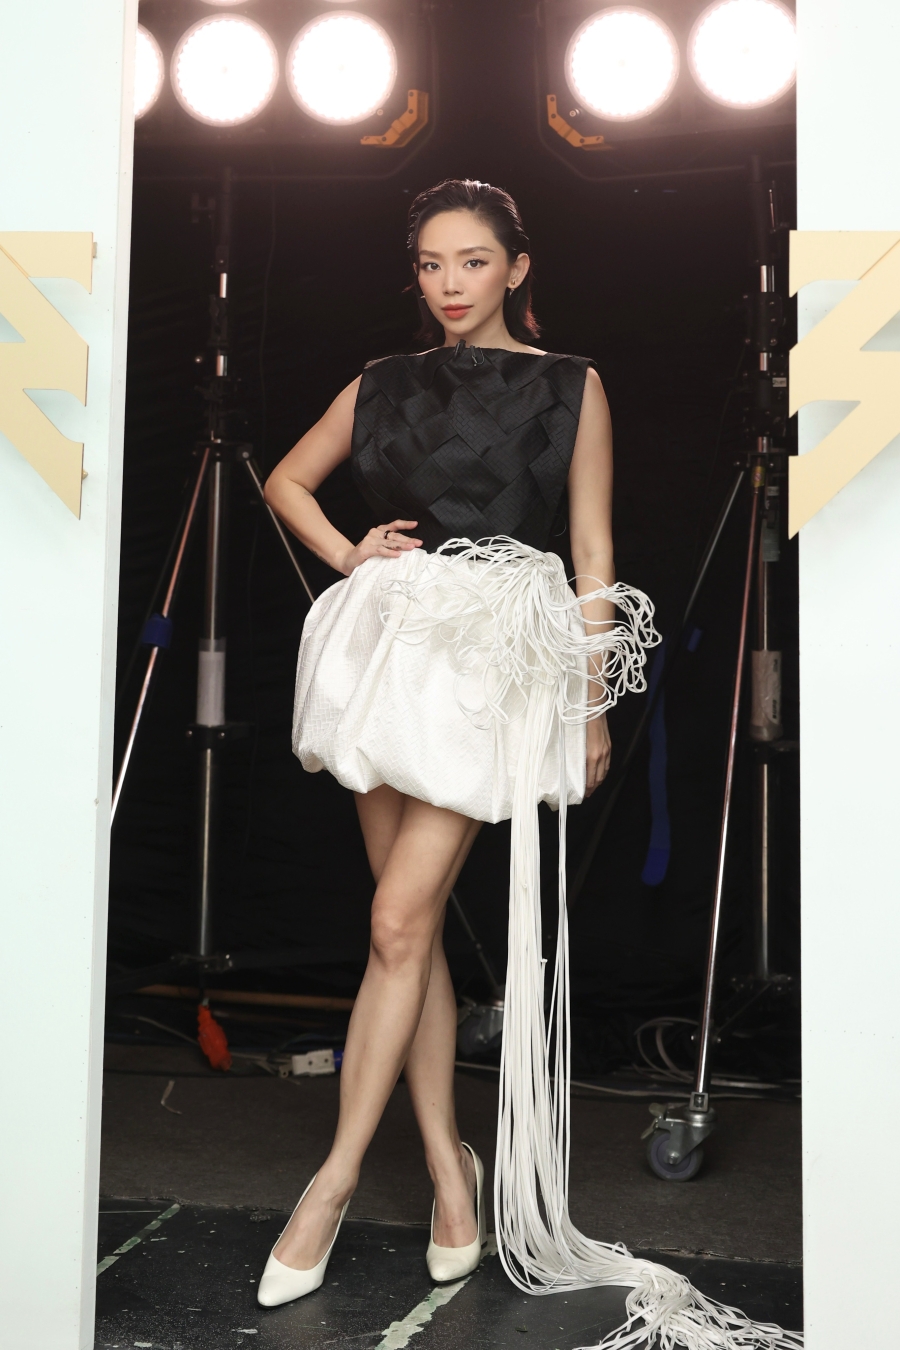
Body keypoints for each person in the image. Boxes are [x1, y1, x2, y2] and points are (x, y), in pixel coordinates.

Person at [260, 180, 800, 1350]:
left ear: (516, 266)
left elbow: (594, 553)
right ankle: (450, 1172)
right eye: (430, 264)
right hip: (389, 644)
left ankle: (334, 1181)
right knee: (405, 930)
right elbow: (285, 481)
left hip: (496, 656)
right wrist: (349, 553)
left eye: (472, 261)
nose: (449, 284)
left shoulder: (571, 384)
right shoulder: (380, 379)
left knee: (399, 920)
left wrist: (589, 702)